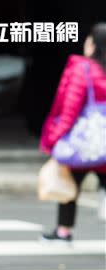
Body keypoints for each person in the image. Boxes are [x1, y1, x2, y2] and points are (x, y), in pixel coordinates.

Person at [40, 23, 106, 243]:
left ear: (93, 45)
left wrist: (53, 139)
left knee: (69, 183)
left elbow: (69, 110)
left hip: (84, 143)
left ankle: (63, 231)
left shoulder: (83, 69)